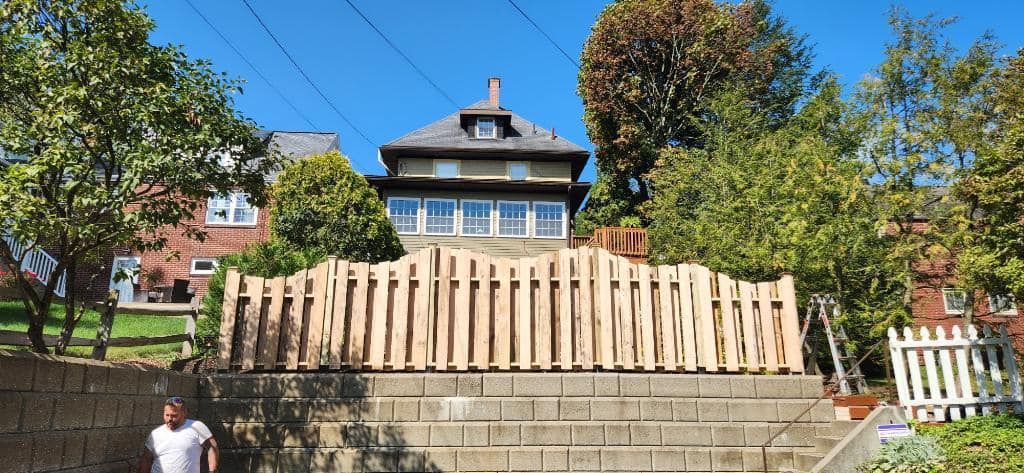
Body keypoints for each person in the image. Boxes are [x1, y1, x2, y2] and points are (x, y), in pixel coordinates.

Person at [138, 396, 219, 473]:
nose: (169, 419)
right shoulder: (155, 434)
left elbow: (212, 447)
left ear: (184, 413)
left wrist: (212, 470)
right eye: (167, 415)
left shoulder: (197, 427)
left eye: (174, 415)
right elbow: (146, 459)